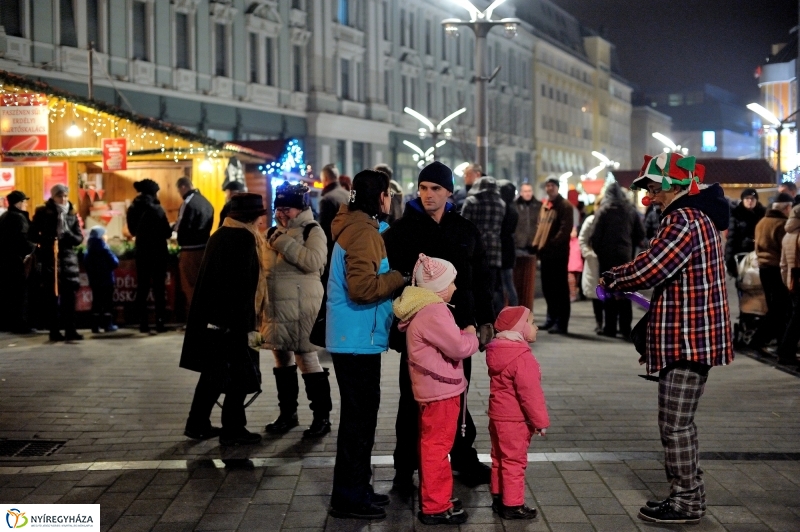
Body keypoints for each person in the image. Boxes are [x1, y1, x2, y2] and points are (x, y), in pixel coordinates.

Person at [601, 152, 733, 525]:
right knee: (678, 423)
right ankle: (689, 495)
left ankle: (687, 501)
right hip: (692, 336)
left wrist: (614, 277)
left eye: (654, 187)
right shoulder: (696, 216)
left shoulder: (684, 219)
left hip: (689, 339)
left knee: (675, 425)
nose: (651, 196)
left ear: (673, 186)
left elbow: (653, 266)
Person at [383, 161, 494, 495]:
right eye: (423, 188)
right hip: (419, 330)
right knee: (411, 398)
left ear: (449, 192)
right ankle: (405, 467)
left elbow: (481, 278)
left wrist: (485, 319)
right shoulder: (402, 231)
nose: (428, 194)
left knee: (457, 394)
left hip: (460, 327)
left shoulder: (465, 230)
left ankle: (462, 456)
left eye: (435, 188)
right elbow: (392, 281)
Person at [326, 170, 407, 520]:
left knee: (360, 419)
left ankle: (357, 487)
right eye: (387, 194)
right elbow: (361, 288)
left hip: (356, 337)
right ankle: (348, 497)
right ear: (380, 197)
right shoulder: (362, 232)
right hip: (355, 339)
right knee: (358, 422)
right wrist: (398, 277)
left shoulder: (358, 226)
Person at [392, 254, 478, 526]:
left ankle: (437, 497)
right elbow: (458, 348)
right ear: (439, 286)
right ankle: (435, 506)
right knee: (437, 448)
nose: (455, 287)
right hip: (441, 391)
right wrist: (471, 334)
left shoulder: (424, 310)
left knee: (433, 445)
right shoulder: (435, 312)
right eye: (451, 282)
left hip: (433, 389)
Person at [180, 193, 268, 446]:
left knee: (214, 374)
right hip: (239, 323)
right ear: (253, 217)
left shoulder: (221, 234)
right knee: (241, 374)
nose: (261, 221)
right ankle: (233, 428)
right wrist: (245, 326)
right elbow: (242, 286)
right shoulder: (244, 238)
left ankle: (197, 423)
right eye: (259, 216)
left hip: (216, 321)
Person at [261, 183, 332, 438]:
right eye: (278, 208)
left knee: (307, 358)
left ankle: (321, 417)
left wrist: (283, 243)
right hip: (276, 307)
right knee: (281, 359)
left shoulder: (313, 230)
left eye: (287, 209)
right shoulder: (271, 232)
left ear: (300, 208)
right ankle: (287, 414)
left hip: (303, 307)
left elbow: (314, 261)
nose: (281, 214)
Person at [486, 306, 548, 520]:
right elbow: (530, 394)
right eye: (531, 323)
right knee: (514, 461)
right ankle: (512, 505)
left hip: (497, 416)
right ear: (519, 329)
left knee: (498, 458)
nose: (536, 327)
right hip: (515, 419)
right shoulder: (522, 358)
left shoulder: (497, 351)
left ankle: (498, 496)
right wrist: (540, 421)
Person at [29, 184, 84, 342]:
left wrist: (68, 236)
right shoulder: (43, 212)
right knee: (52, 298)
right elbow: (32, 234)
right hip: (50, 258)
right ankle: (54, 331)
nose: (63, 199)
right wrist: (47, 240)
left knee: (69, 298)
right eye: (60, 196)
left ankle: (71, 330)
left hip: (68, 259)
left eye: (65, 196)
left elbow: (79, 238)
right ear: (53, 197)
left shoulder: (72, 213)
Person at [590, 181, 645, 338]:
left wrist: (600, 251)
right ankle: (626, 328)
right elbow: (640, 234)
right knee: (625, 293)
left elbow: (594, 235)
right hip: (625, 257)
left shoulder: (603, 210)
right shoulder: (630, 210)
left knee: (608, 292)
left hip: (606, 258)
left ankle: (610, 328)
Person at [126, 179, 172, 333]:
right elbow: (167, 232)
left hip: (142, 252)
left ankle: (143, 323)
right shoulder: (157, 209)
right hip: (158, 252)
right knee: (159, 288)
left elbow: (132, 231)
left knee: (143, 287)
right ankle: (160, 322)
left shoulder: (133, 208)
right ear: (153, 192)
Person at [531, 178, 574, 334]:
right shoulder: (546, 205)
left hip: (558, 253)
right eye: (548, 186)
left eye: (552, 186)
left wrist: (552, 243)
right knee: (548, 288)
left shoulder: (564, 206)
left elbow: (565, 229)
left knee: (559, 289)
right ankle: (551, 319)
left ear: (557, 187)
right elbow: (540, 226)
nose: (550, 188)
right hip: (546, 253)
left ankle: (561, 323)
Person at [752, 192, 794, 349]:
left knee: (774, 307)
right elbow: (784, 250)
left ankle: (777, 339)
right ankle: (760, 339)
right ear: (787, 208)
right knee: (780, 308)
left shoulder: (762, 221)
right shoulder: (781, 224)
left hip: (764, 268)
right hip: (776, 269)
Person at [461, 176, 506, 315]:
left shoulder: (471, 201)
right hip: (495, 250)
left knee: (472, 286)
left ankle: (473, 318)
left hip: (474, 250)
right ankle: (490, 318)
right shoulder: (501, 203)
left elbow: (463, 226)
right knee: (490, 288)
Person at [174, 177, 214, 311]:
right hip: (204, 249)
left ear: (183, 187)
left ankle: (194, 316)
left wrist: (172, 229)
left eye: (179, 190)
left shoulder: (188, 202)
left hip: (189, 250)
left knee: (189, 287)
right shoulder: (207, 202)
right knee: (203, 285)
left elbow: (179, 226)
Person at [0, 190, 37, 333]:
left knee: (7, 294)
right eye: (24, 201)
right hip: (16, 261)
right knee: (20, 294)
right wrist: (34, 247)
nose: (26, 204)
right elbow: (23, 240)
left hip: (4, 260)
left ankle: (7, 323)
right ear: (18, 203)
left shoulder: (4, 216)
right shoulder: (19, 218)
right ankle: (20, 324)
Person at [84, 226, 119, 333]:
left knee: (96, 302)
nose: (106, 236)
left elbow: (86, 264)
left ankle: (95, 326)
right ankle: (108, 325)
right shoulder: (105, 249)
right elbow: (115, 262)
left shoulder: (89, 250)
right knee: (107, 303)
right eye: (104, 234)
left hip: (94, 281)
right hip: (107, 280)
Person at [725, 188, 766, 278]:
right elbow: (731, 239)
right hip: (742, 254)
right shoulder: (736, 214)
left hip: (761, 254)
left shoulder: (763, 214)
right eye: (747, 198)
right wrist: (730, 262)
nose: (750, 201)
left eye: (752, 198)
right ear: (743, 200)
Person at [778, 205, 800, 365]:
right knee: (796, 321)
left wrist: (787, 281)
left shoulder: (788, 235)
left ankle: (786, 352)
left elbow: (783, 264)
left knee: (795, 318)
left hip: (792, 281)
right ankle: (786, 352)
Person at [578, 205, 603, 334]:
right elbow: (582, 239)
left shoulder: (611, 218)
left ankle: (607, 324)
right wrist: (588, 254)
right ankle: (599, 322)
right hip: (594, 260)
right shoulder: (591, 220)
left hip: (609, 259)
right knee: (596, 293)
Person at [318, 164, 350, 249]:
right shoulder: (349, 195)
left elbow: (324, 231)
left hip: (334, 250)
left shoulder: (327, 199)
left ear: (325, 179)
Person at [497, 179, 519, 306]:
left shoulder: (504, 209)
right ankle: (515, 311)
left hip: (503, 249)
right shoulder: (513, 209)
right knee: (508, 283)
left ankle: (511, 311)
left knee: (504, 284)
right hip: (509, 249)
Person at [513, 182, 541, 254]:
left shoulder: (539, 206)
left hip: (534, 244)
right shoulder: (515, 206)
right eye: (525, 191)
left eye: (529, 191)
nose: (528, 193)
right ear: (521, 193)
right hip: (519, 245)